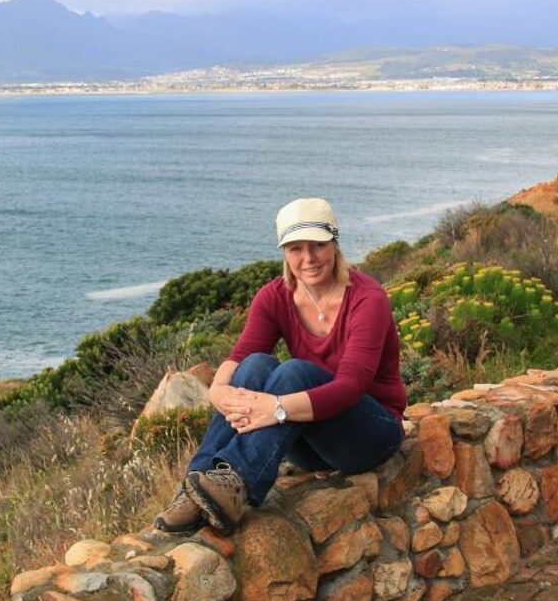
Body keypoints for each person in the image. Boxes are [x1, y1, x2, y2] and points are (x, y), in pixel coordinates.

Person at [154, 197, 407, 535]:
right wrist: (218, 390)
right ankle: (196, 486)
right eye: (295, 249)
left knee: (294, 371)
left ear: (334, 243)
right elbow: (243, 354)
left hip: (369, 434)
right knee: (256, 365)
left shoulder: (366, 298)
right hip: (310, 445)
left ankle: (233, 483)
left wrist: (277, 409)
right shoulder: (274, 296)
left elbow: (351, 386)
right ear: (284, 252)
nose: (308, 259)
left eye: (318, 245)